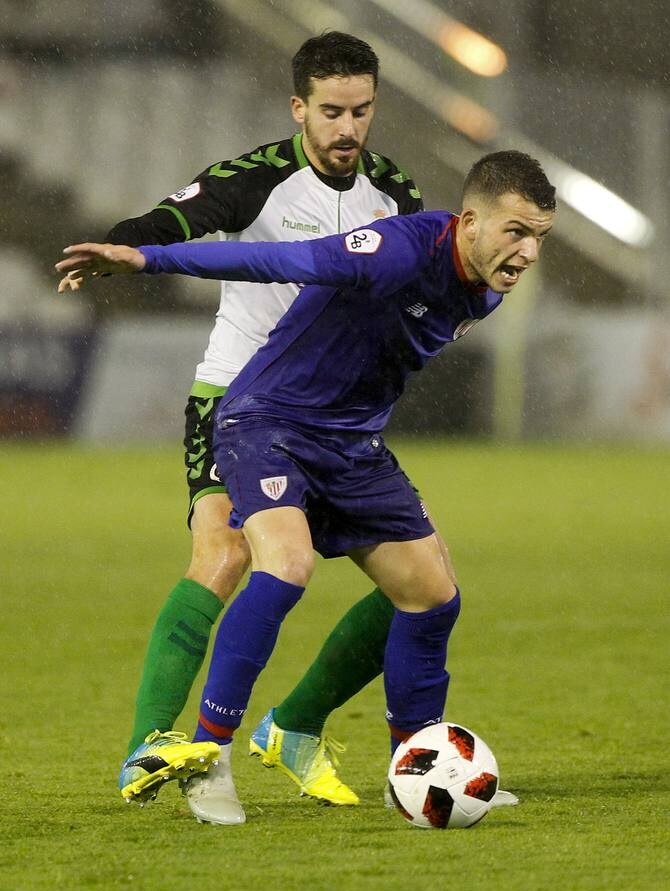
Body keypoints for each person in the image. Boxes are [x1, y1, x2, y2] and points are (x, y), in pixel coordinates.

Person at [57, 149, 557, 826]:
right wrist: (148, 259)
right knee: (283, 566)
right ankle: (209, 758)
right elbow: (276, 262)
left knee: (433, 595)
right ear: (470, 221)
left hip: (352, 446)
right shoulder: (395, 251)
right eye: (516, 232)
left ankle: (416, 767)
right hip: (268, 420)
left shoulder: (489, 288)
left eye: (539, 238)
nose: (527, 252)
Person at [59, 32, 427, 811]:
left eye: (360, 111)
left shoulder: (396, 191)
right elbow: (175, 219)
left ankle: (295, 725)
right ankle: (150, 747)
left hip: (334, 416)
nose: (347, 128)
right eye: (331, 111)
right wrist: (124, 248)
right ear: (300, 108)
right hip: (240, 398)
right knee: (226, 554)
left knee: (417, 588)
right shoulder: (255, 179)